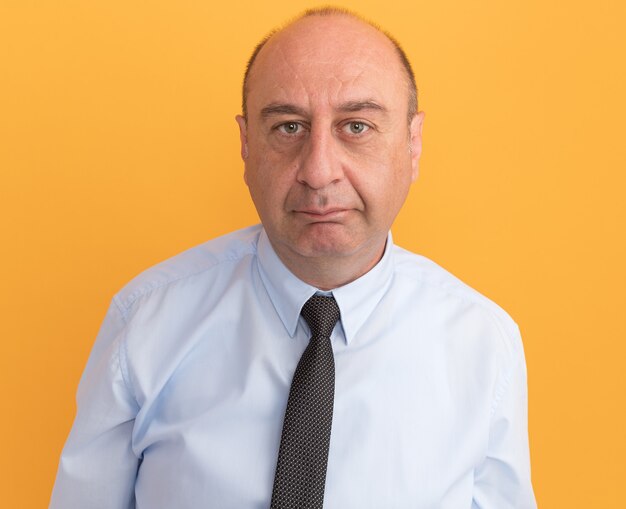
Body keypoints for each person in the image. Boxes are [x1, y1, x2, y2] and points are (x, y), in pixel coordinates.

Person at [50, 7, 536, 508]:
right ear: (245, 144)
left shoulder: (483, 344)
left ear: (413, 144)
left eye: (357, 126)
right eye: (288, 128)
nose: (319, 171)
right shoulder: (145, 322)